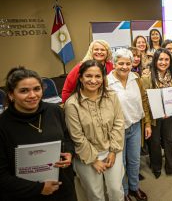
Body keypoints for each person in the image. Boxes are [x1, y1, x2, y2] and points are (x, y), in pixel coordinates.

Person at [0, 67, 76, 201]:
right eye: (24, 91)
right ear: (11, 95)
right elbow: (2, 175)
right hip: (25, 194)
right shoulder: (3, 124)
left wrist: (69, 153)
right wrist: (38, 189)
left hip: (62, 188)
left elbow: (67, 139)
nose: (32, 95)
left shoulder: (54, 111)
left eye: (36, 89)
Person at [64, 60, 125, 201]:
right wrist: (94, 160)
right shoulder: (72, 104)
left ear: (103, 78)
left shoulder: (112, 96)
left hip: (112, 150)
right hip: (86, 155)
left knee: (116, 190)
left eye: (98, 76)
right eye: (88, 76)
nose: (93, 80)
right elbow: (77, 136)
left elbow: (119, 123)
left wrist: (113, 151)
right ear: (80, 78)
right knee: (95, 195)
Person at [107, 49, 152, 201]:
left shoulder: (136, 77)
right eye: (121, 63)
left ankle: (134, 187)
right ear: (114, 64)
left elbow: (144, 100)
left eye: (128, 63)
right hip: (117, 130)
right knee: (121, 164)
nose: (124, 67)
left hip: (135, 126)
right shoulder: (107, 82)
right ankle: (124, 192)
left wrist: (147, 124)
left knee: (134, 160)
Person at [142, 48, 172, 179]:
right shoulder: (147, 77)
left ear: (170, 61)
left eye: (166, 59)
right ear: (155, 61)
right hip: (154, 117)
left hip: (169, 116)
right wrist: (147, 122)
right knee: (154, 142)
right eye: (160, 59)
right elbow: (145, 103)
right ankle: (156, 166)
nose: (163, 62)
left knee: (169, 140)